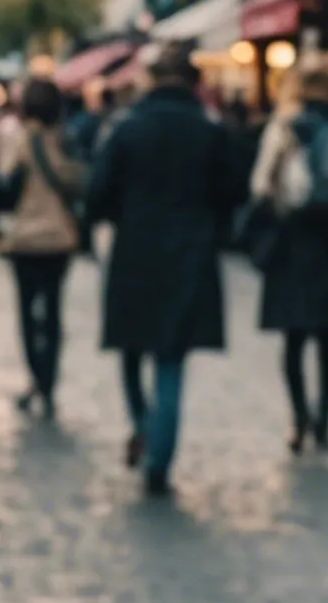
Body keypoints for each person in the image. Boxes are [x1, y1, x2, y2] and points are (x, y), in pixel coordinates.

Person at [84, 43, 243, 496]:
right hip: (190, 252)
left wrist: (117, 216)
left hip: (136, 249)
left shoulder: (128, 129)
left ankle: (143, 423)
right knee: (171, 360)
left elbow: (98, 194)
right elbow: (232, 191)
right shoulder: (209, 132)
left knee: (132, 348)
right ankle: (160, 459)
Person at [249, 57, 328, 454]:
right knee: (327, 343)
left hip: (292, 244)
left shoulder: (285, 126)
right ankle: (324, 422)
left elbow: (261, 185)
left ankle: (299, 417)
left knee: (293, 341)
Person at [0, 77, 85, 417]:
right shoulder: (66, 139)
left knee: (28, 312)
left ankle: (36, 376)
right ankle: (49, 379)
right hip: (60, 235)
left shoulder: (17, 139)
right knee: (53, 311)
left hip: (25, 238)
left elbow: (5, 187)